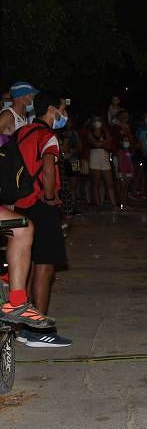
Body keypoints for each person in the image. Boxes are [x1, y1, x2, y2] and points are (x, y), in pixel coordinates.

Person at [10, 92, 72, 346]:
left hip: (20, 206)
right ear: (51, 110)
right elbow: (48, 168)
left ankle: (24, 322)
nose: (64, 115)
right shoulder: (48, 136)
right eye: (61, 109)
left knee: (28, 265)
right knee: (45, 267)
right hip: (40, 204)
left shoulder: (21, 133)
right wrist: (49, 197)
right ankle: (38, 331)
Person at [84, 116, 118, 209]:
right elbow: (96, 144)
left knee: (109, 182)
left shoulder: (104, 132)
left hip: (105, 158)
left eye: (98, 120)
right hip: (94, 157)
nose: (97, 122)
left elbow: (109, 143)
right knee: (96, 183)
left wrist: (103, 142)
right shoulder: (90, 133)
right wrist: (105, 142)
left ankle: (114, 204)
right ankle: (98, 204)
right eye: (95, 121)